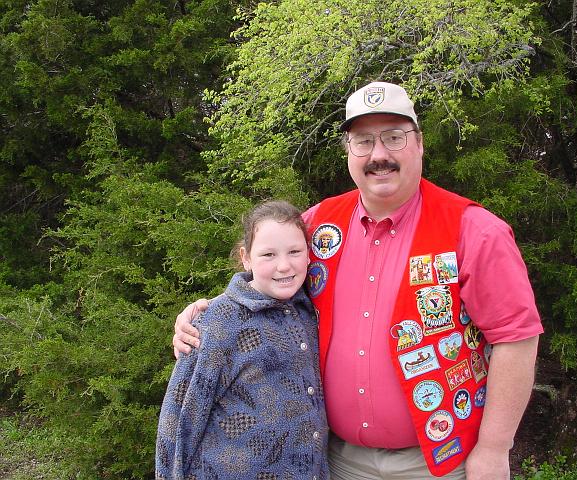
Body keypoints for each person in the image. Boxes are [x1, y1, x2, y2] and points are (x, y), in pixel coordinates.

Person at [172, 82, 543, 480]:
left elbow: (516, 339)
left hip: (439, 462)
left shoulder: (475, 231)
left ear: (419, 144)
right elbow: (267, 279)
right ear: (348, 151)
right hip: (335, 461)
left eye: (394, 138)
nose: (379, 155)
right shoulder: (317, 224)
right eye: (363, 141)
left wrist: (493, 448)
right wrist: (208, 315)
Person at [156, 200, 329, 479]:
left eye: (295, 251)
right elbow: (179, 416)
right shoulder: (216, 322)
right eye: (268, 255)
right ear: (246, 257)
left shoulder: (309, 310)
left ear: (309, 254)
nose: (284, 266)